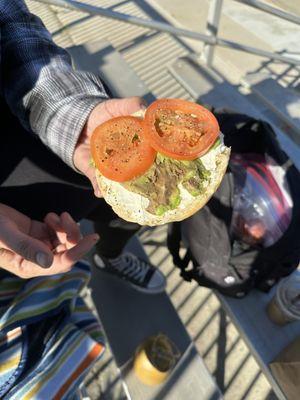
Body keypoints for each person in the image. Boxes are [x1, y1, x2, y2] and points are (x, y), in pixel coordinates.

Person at [0, 0, 165, 397]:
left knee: (126, 199)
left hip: (28, 127)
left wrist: (70, 115)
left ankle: (109, 256)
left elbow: (9, 23)